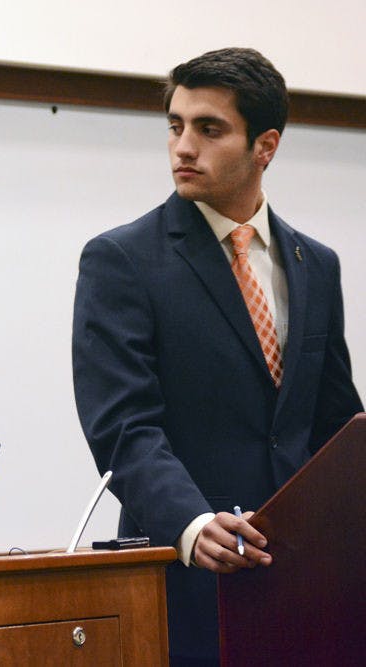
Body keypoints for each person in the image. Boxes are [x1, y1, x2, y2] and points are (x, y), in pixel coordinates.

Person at [71, 48, 362, 664]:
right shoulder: (122, 261)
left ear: (266, 146)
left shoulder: (318, 264)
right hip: (185, 582)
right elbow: (125, 429)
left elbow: (335, 425)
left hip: (309, 584)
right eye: (176, 126)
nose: (183, 147)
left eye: (209, 129)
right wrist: (193, 523)